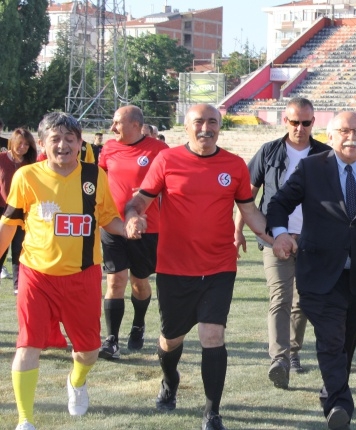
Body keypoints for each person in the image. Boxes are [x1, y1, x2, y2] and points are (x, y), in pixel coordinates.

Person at [124, 103, 271, 430]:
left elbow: (249, 210)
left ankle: (211, 412)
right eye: (199, 122)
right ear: (186, 127)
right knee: (170, 340)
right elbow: (140, 200)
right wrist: (133, 216)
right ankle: (169, 381)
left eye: (213, 122)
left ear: (220, 127)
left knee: (212, 335)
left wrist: (274, 237)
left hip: (219, 266)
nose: (207, 128)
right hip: (175, 269)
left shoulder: (234, 165)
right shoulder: (167, 160)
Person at [266, 112, 356, 430]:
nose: (353, 137)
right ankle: (340, 404)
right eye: (344, 131)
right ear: (330, 136)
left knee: (346, 343)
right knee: (331, 339)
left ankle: (330, 389)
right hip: (319, 272)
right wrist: (280, 233)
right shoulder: (311, 167)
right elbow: (278, 204)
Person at [3, 112, 137, 430]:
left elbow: (108, 219)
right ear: (43, 143)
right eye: (55, 139)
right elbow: (8, 226)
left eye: (69, 139)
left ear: (80, 143)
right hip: (36, 275)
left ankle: (76, 383)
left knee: (88, 351)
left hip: (83, 277)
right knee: (27, 345)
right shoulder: (27, 177)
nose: (62, 145)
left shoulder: (93, 176)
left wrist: (128, 227)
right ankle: (25, 420)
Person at [234, 97, 328, 388]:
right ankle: (279, 359)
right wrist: (237, 230)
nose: (300, 128)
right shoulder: (268, 151)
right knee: (280, 297)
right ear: (285, 121)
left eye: (306, 122)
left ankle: (293, 351)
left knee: (303, 300)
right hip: (275, 238)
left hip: (313, 239)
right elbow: (247, 196)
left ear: (314, 122)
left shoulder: (325, 155)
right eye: (294, 122)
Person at [97, 105, 169, 360]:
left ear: (136, 125)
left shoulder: (158, 151)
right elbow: (100, 182)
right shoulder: (108, 148)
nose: (112, 127)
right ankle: (111, 340)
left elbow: (170, 185)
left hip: (146, 228)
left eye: (117, 122)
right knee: (115, 280)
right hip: (113, 225)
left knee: (139, 281)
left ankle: (138, 323)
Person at [0, 129, 37, 294]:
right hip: (2, 208)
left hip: (22, 210)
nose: (23, 147)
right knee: (2, 247)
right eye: (20, 143)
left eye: (27, 144)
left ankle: (18, 286)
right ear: (12, 141)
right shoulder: (1, 159)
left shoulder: (31, 164)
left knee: (19, 248)